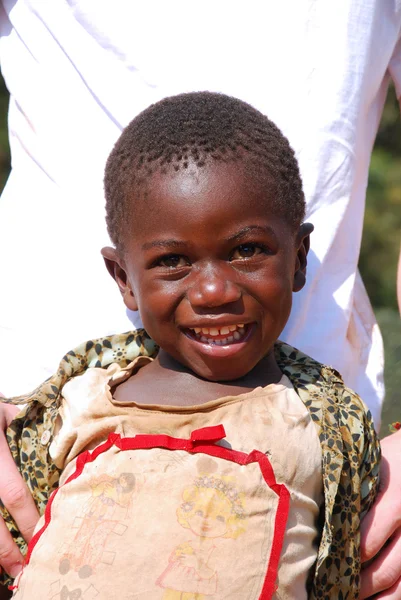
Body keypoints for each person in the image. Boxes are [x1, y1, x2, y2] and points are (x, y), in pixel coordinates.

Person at [0, 1, 400, 598]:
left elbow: (336, 573)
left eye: (246, 252)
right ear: (123, 278)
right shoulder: (72, 400)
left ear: (298, 260)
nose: (213, 291)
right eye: (173, 262)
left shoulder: (328, 422)